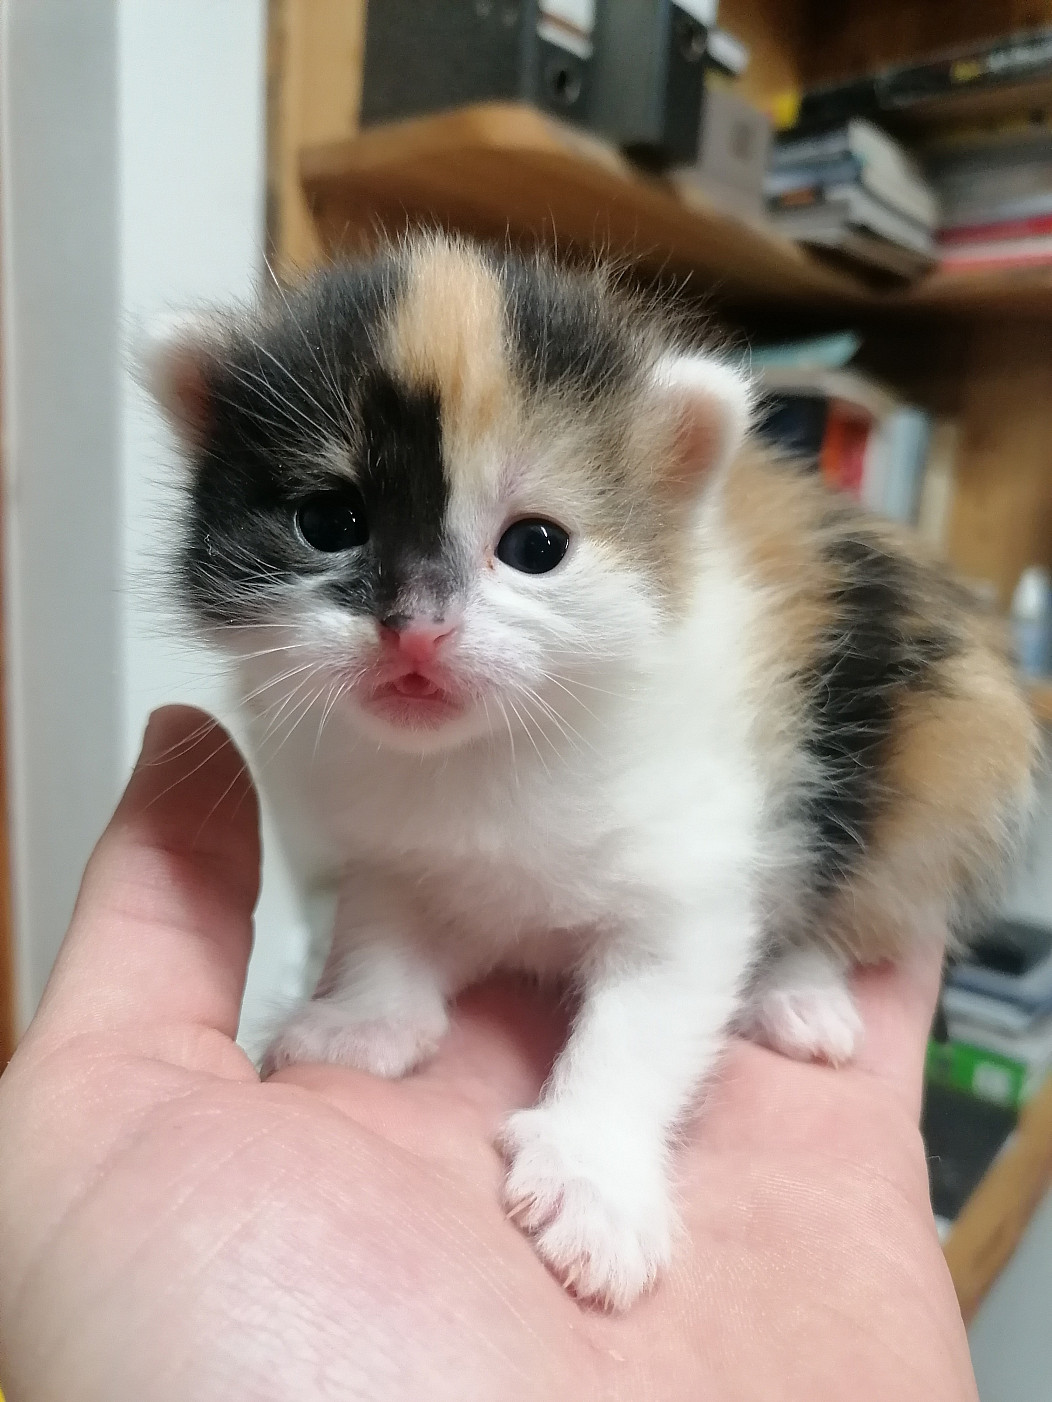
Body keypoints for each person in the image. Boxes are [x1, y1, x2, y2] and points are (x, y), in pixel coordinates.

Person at [0, 706, 979, 1401]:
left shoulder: (647, 747)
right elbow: (437, 880)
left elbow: (676, 916)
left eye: (535, 545)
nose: (414, 630)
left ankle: (812, 943)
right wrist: (384, 987)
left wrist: (609, 1129)